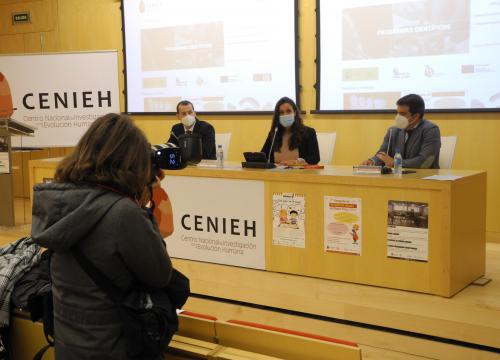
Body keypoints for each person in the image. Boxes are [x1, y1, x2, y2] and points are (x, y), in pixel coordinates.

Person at [31, 113, 173, 359]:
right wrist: (144, 206)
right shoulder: (123, 213)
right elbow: (160, 275)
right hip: (114, 348)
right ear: (129, 164)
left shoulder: (59, 202)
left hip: (69, 347)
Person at [362, 94, 441, 168]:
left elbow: (425, 161)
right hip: (398, 178)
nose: (398, 117)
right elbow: (383, 154)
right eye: (398, 113)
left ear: (416, 116)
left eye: (402, 114)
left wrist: (396, 163)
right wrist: (372, 161)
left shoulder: (430, 130)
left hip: (424, 178)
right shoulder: (393, 130)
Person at [261, 97, 320, 165]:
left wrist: (296, 161)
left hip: (299, 174)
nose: (285, 115)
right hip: (276, 174)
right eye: (281, 112)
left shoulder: (309, 132)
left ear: (294, 112)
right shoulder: (274, 134)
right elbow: (263, 157)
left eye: (288, 111)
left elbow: (315, 158)